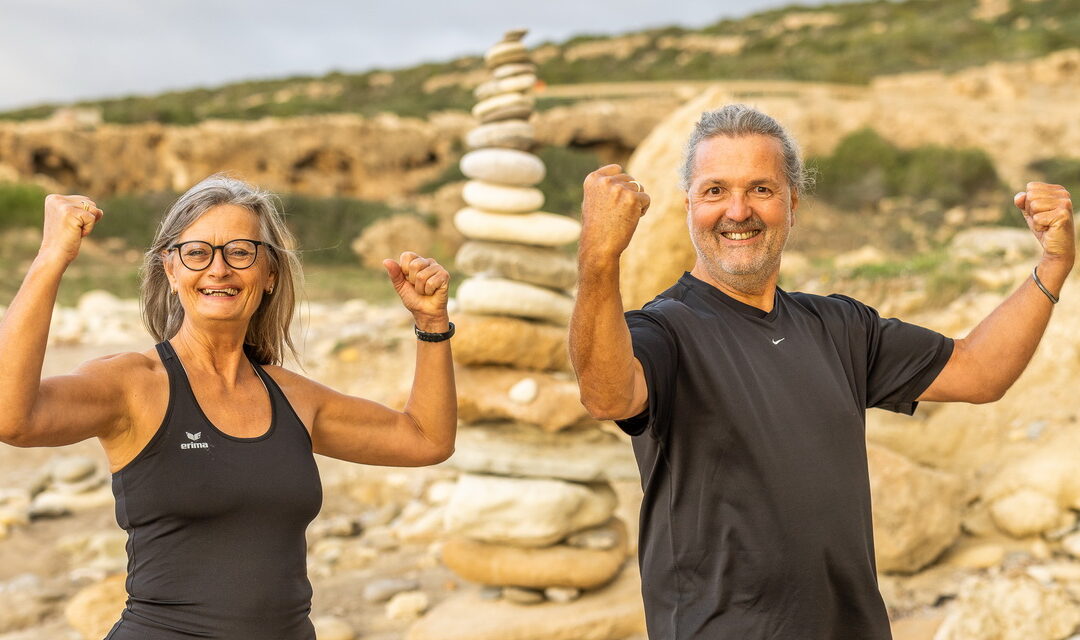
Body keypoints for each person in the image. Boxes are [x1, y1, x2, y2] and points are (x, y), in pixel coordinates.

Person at [569, 104, 1074, 639]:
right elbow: (606, 395)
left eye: (760, 189)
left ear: (793, 203)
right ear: (689, 205)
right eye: (715, 191)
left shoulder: (839, 326)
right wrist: (599, 259)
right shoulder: (664, 331)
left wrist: (1052, 267)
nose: (737, 211)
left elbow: (979, 372)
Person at [0, 175, 457, 639]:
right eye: (197, 252)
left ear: (270, 274)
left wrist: (431, 323)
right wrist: (51, 257)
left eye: (240, 252)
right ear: (170, 271)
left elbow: (426, 439)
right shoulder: (134, 384)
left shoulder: (295, 398)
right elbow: (11, 417)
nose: (219, 269)